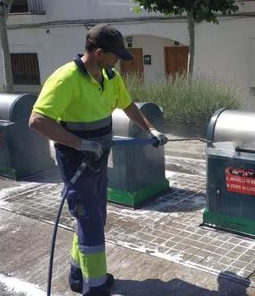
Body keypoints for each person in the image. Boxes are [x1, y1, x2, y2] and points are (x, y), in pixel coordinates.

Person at [29, 24, 168, 296]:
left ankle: (78, 274)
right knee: (91, 223)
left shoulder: (111, 77)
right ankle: (95, 288)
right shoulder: (65, 79)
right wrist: (82, 144)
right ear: (99, 52)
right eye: (115, 55)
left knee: (94, 219)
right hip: (75, 163)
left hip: (98, 159)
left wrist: (150, 129)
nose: (118, 60)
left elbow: (127, 105)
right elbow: (37, 120)